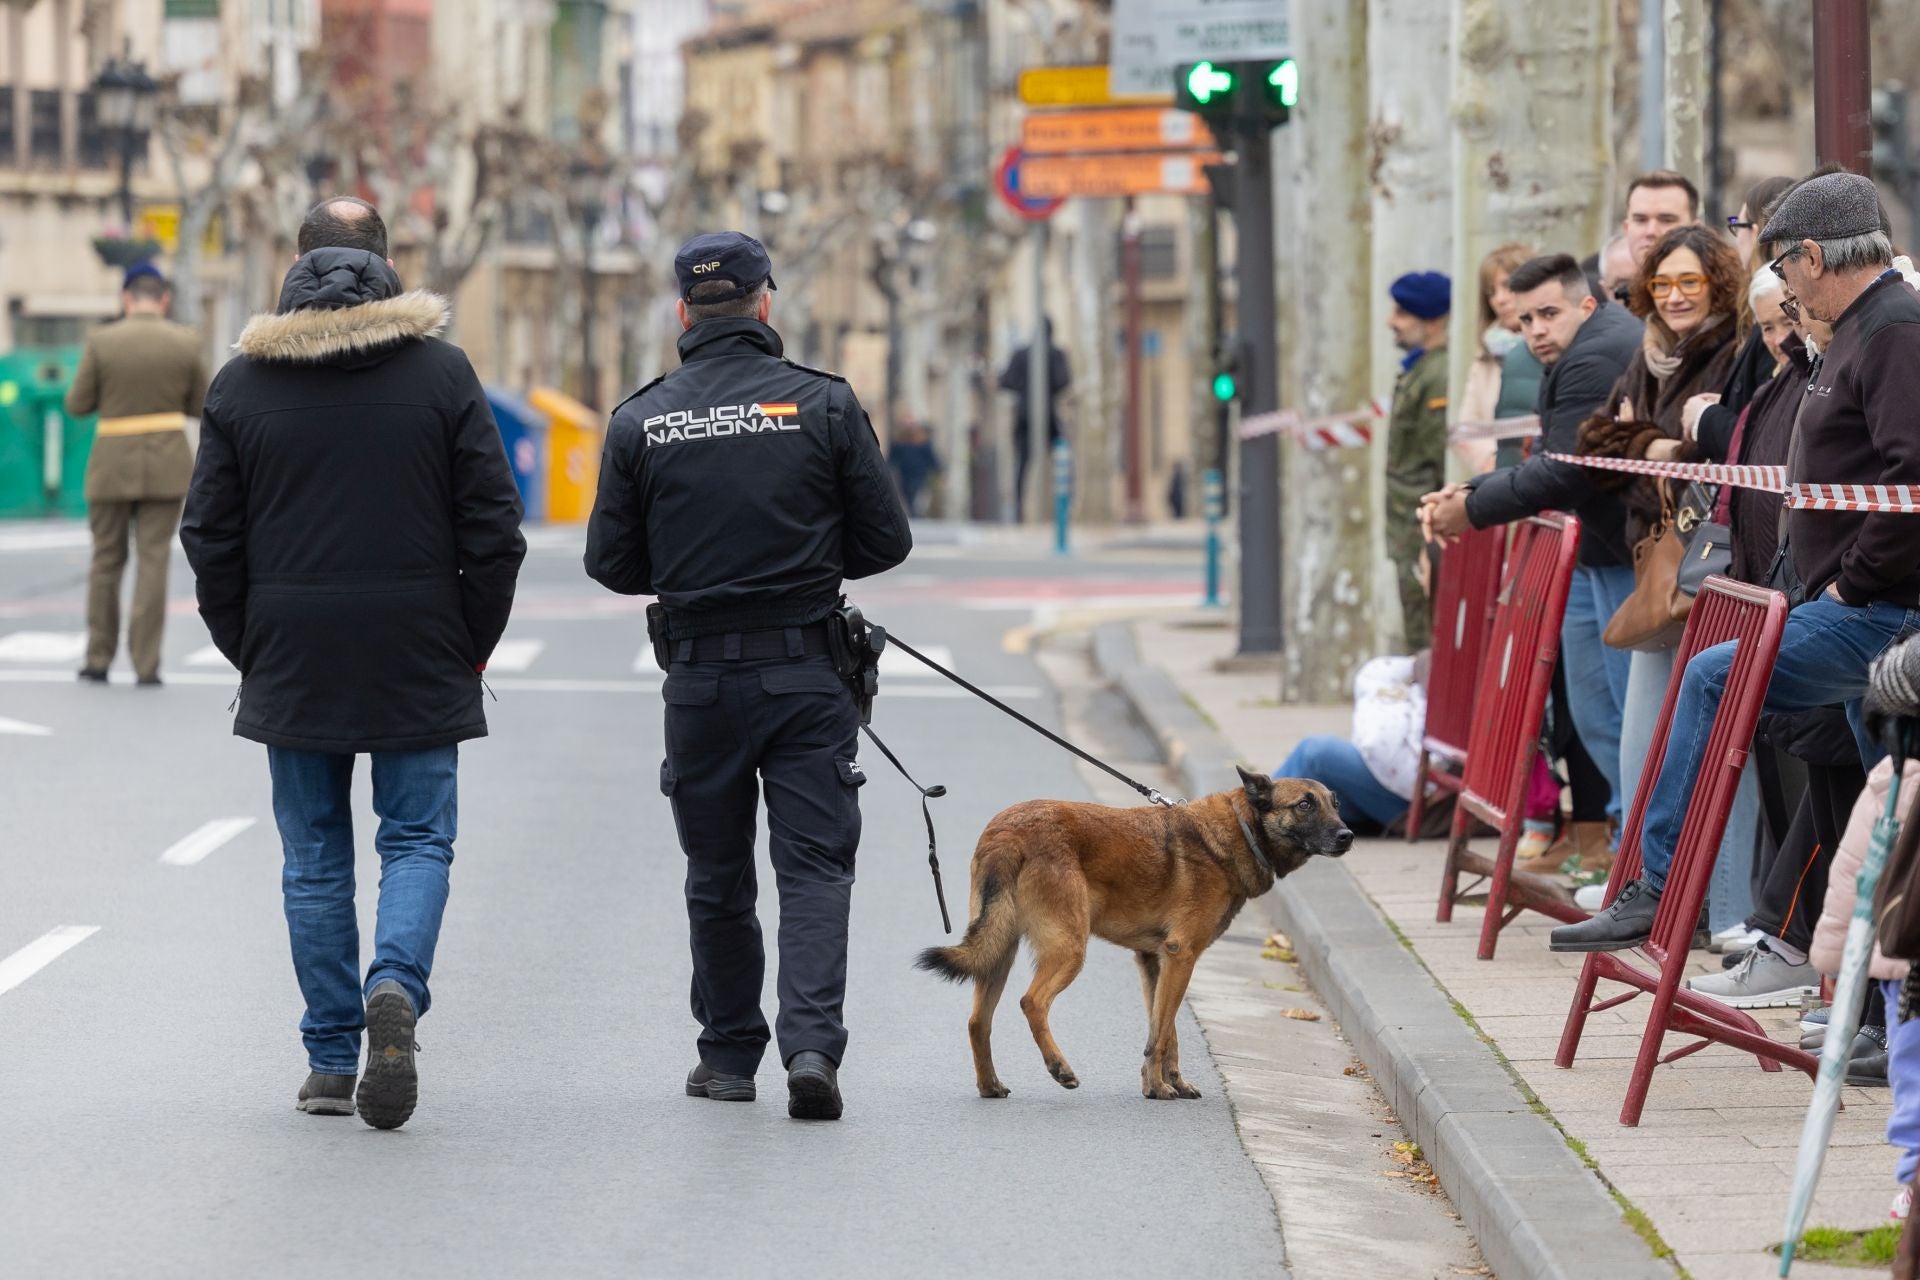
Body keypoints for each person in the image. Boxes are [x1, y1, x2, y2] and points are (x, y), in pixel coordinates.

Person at [180, 197, 526, 1130]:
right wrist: (469, 641)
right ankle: (397, 987)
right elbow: (494, 531)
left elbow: (208, 536)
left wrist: (248, 643)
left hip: (292, 649)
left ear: (294, 263)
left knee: (313, 855)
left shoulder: (242, 382)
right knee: (417, 838)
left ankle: (333, 1057)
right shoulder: (445, 373)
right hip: (419, 644)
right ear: (387, 264)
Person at [584, 230, 912, 1121]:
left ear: (683, 313)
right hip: (806, 674)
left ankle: (729, 1057)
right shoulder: (824, 405)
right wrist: (803, 558)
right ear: (766, 304)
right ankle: (811, 1049)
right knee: (813, 869)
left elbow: (611, 563)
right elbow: (887, 541)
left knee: (717, 872)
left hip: (697, 684)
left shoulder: (640, 419)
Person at [1551, 172, 1920, 954]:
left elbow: (1909, 478)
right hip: (1858, 603)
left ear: (1814, 255)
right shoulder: (1861, 327)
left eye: (1784, 268)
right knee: (1882, 810)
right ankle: (1875, 1010)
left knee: (1716, 674)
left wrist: (1852, 583)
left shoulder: (1890, 329)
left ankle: (1657, 884)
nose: (1783, 289)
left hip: (1879, 610)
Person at [1422, 254, 1641, 873]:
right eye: (1525, 320)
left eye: (1549, 314)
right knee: (1603, 712)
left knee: (1625, 715)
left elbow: (1563, 469)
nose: (1537, 331)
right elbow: (1550, 458)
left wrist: (1470, 506)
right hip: (1599, 551)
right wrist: (1470, 496)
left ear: (1586, 305)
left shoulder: (1596, 355)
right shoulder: (1576, 350)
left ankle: (1639, 859)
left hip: (1623, 556)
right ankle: (1626, 850)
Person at [66, 262, 207, 685]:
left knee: (106, 561)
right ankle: (146, 665)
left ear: (126, 299)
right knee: (153, 560)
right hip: (166, 464)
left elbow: (77, 404)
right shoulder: (185, 342)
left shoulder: (101, 341)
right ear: (163, 299)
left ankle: (98, 658)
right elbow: (202, 404)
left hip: (111, 463)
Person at [1275, 653, 1427, 835]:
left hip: (1418, 804)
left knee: (1315, 753)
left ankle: (1248, 816)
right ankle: (1249, 816)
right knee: (1314, 787)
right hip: (1402, 788)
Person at [1384, 270, 1451, 644]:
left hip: (1422, 530)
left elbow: (1438, 461)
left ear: (1432, 320)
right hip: (1408, 531)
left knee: (1427, 636)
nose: (1391, 322)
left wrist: (1432, 542)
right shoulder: (1418, 371)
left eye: (1402, 313)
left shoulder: (1436, 375)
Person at [1456, 242, 1541, 474]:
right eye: (1491, 292)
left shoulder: (1553, 346)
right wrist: (1490, 461)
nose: (1500, 300)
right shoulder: (1485, 356)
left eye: (1507, 286)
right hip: (1497, 481)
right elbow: (1468, 426)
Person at [998, 319, 1070, 521]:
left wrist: (1023, 387)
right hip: (1048, 414)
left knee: (1022, 462)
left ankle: (1019, 509)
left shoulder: (1021, 353)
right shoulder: (1056, 354)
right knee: (1060, 459)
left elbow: (1005, 381)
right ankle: (1062, 507)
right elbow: (1063, 381)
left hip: (1023, 414)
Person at [1621, 169, 1701, 270]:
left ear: (1696, 231)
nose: (1651, 231)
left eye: (1667, 220)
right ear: (1626, 229)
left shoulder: (1722, 285)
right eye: (1641, 220)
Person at [887, 415, 941, 516]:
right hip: (904, 476)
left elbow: (932, 459)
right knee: (908, 499)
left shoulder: (923, 443)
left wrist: (938, 470)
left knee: (917, 499)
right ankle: (914, 516)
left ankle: (917, 516)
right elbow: (891, 459)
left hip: (920, 477)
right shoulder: (899, 443)